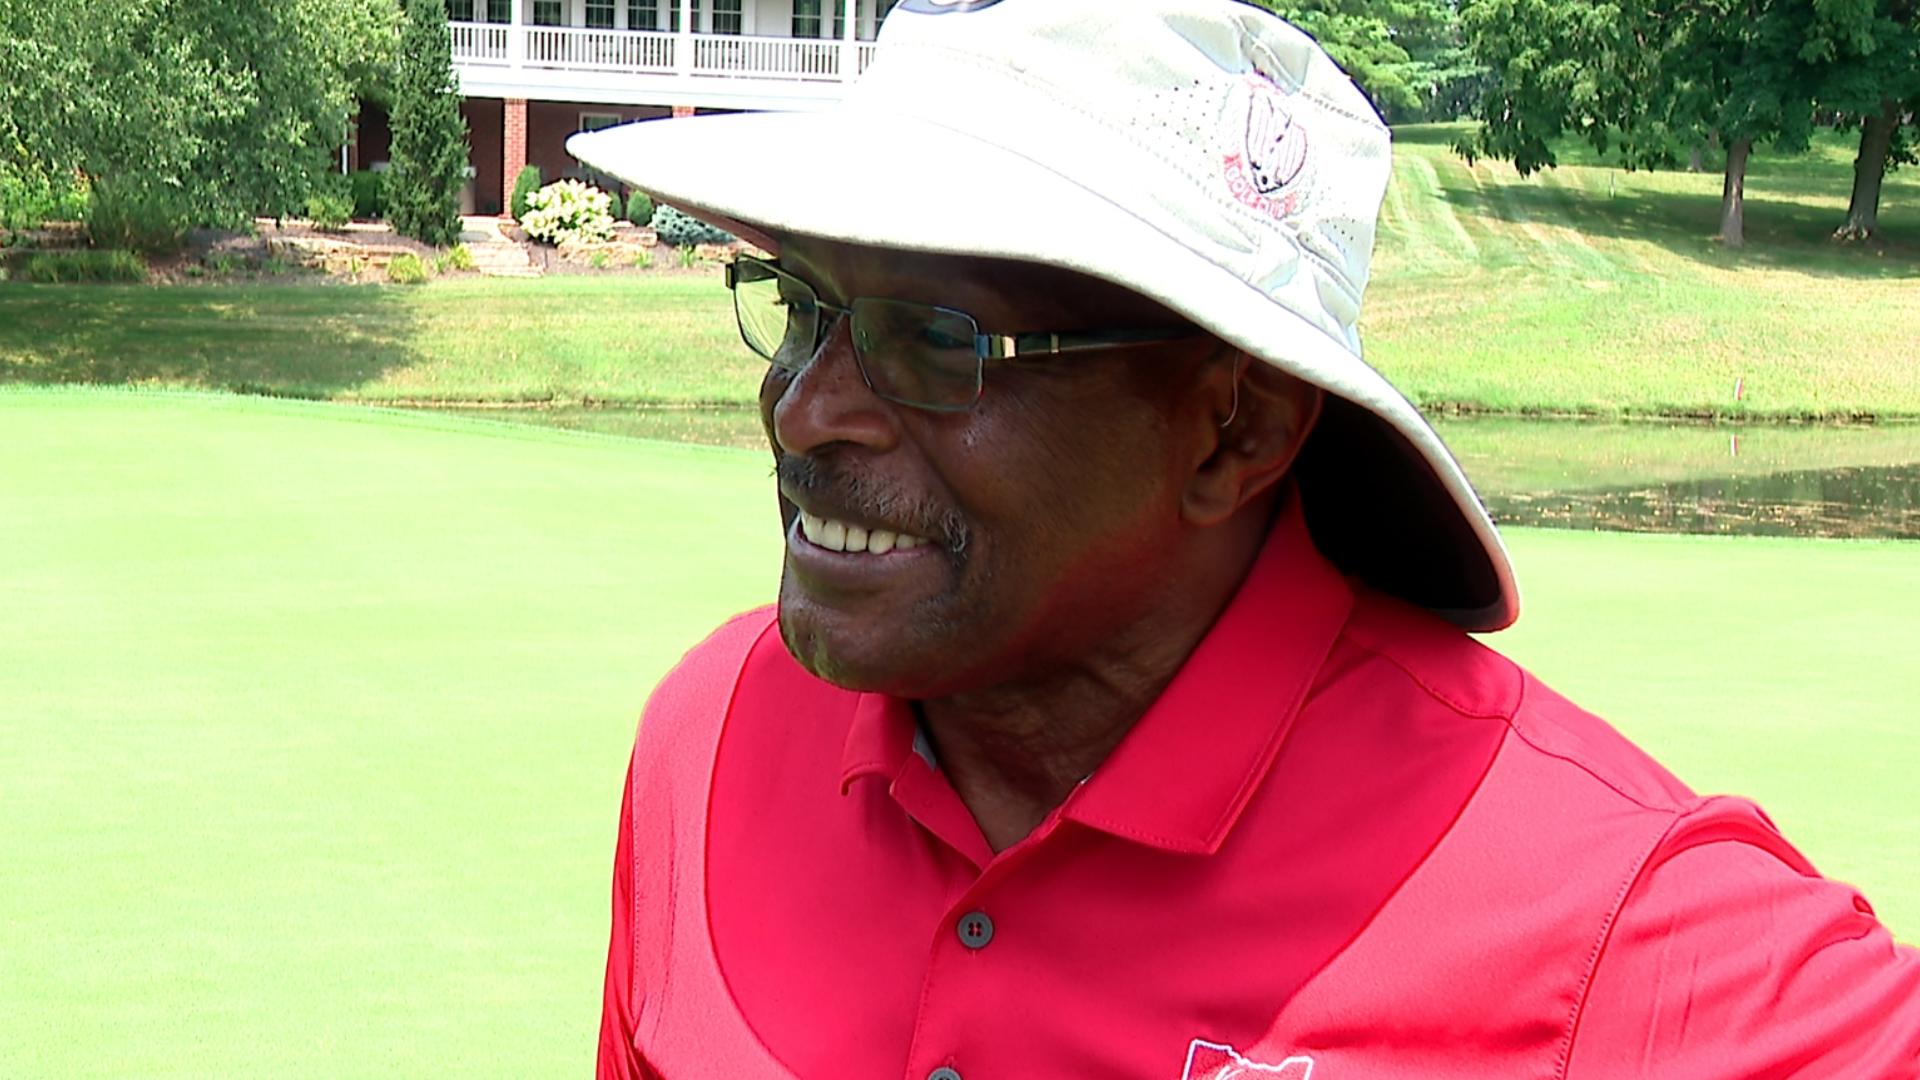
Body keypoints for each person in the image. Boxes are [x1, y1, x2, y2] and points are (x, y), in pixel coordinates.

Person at [570, 1, 1920, 1077]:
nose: (805, 411)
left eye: (940, 341)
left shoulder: (1604, 918)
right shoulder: (714, 734)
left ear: (1235, 431)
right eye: (804, 307)